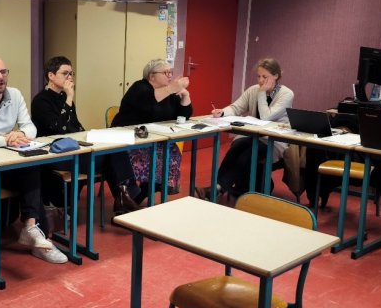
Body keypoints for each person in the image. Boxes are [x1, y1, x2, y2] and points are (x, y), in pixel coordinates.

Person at [0, 56, 68, 264]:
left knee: (32, 167)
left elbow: (30, 126)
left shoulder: (15, 95)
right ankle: (37, 236)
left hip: (8, 161)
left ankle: (31, 228)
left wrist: (21, 134)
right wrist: (5, 139)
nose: (0, 77)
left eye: (3, 72)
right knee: (30, 175)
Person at [31, 56, 141, 215]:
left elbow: (75, 126)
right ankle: (126, 197)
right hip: (56, 154)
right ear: (51, 76)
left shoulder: (64, 97)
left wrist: (90, 137)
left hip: (75, 148)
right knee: (113, 156)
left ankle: (124, 198)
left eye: (71, 74)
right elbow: (59, 128)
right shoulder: (41, 101)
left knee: (115, 150)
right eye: (65, 73)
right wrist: (69, 98)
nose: (70, 77)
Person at [203, 58, 293, 203]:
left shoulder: (286, 94)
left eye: (265, 77)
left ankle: (218, 188)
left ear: (276, 76)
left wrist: (262, 93)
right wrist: (222, 112)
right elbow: (236, 107)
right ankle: (217, 187)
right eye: (259, 76)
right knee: (235, 148)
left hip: (273, 141)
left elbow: (266, 116)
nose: (261, 80)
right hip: (252, 137)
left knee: (247, 156)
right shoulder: (253, 90)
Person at [111, 59, 192, 198]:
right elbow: (149, 101)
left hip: (153, 138)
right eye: (166, 72)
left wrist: (185, 95)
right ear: (152, 76)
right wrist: (171, 88)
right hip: (128, 139)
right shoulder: (140, 88)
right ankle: (131, 195)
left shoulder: (169, 93)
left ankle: (144, 191)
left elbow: (183, 116)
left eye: (171, 72)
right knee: (153, 155)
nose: (170, 76)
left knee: (171, 150)